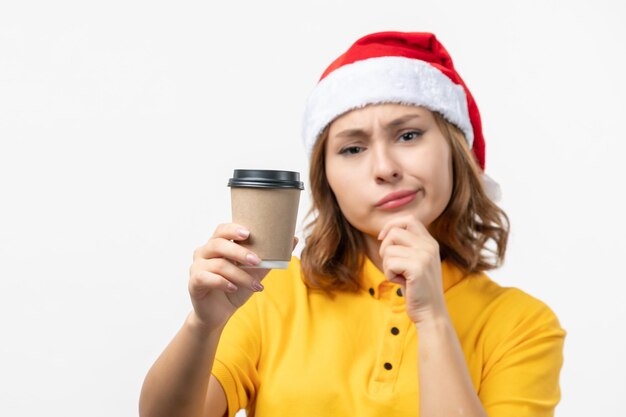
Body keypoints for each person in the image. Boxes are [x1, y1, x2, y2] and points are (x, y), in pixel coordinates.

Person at [139, 31, 565, 417]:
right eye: (353, 148)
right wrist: (203, 325)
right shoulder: (271, 293)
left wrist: (433, 319)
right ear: (328, 182)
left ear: (457, 151)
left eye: (408, 135)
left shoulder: (523, 325)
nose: (384, 168)